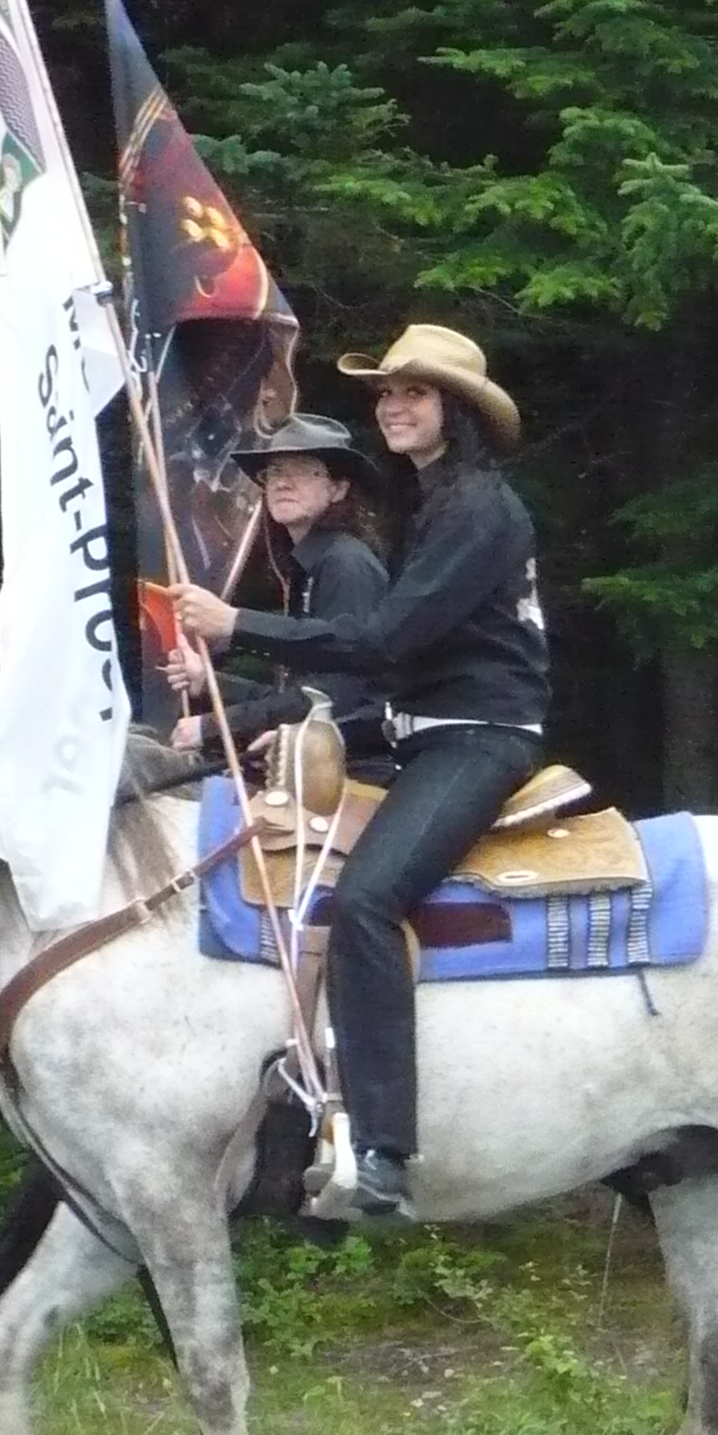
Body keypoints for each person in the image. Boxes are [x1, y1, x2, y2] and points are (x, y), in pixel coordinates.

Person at [177, 324, 551, 1220]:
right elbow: (382, 657)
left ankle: (382, 1152)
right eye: (386, 395)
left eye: (413, 394)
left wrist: (237, 626)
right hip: (424, 736)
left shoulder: (479, 509)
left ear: (454, 412)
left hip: (479, 736)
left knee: (366, 901)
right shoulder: (440, 507)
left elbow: (384, 642)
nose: (393, 406)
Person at [163, 413, 392, 772]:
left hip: (350, 775)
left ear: (338, 489)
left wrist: (213, 725)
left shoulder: (346, 564)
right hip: (315, 767)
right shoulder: (311, 564)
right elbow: (293, 695)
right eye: (275, 472)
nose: (283, 483)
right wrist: (208, 681)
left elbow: (336, 698)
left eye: (302, 470)